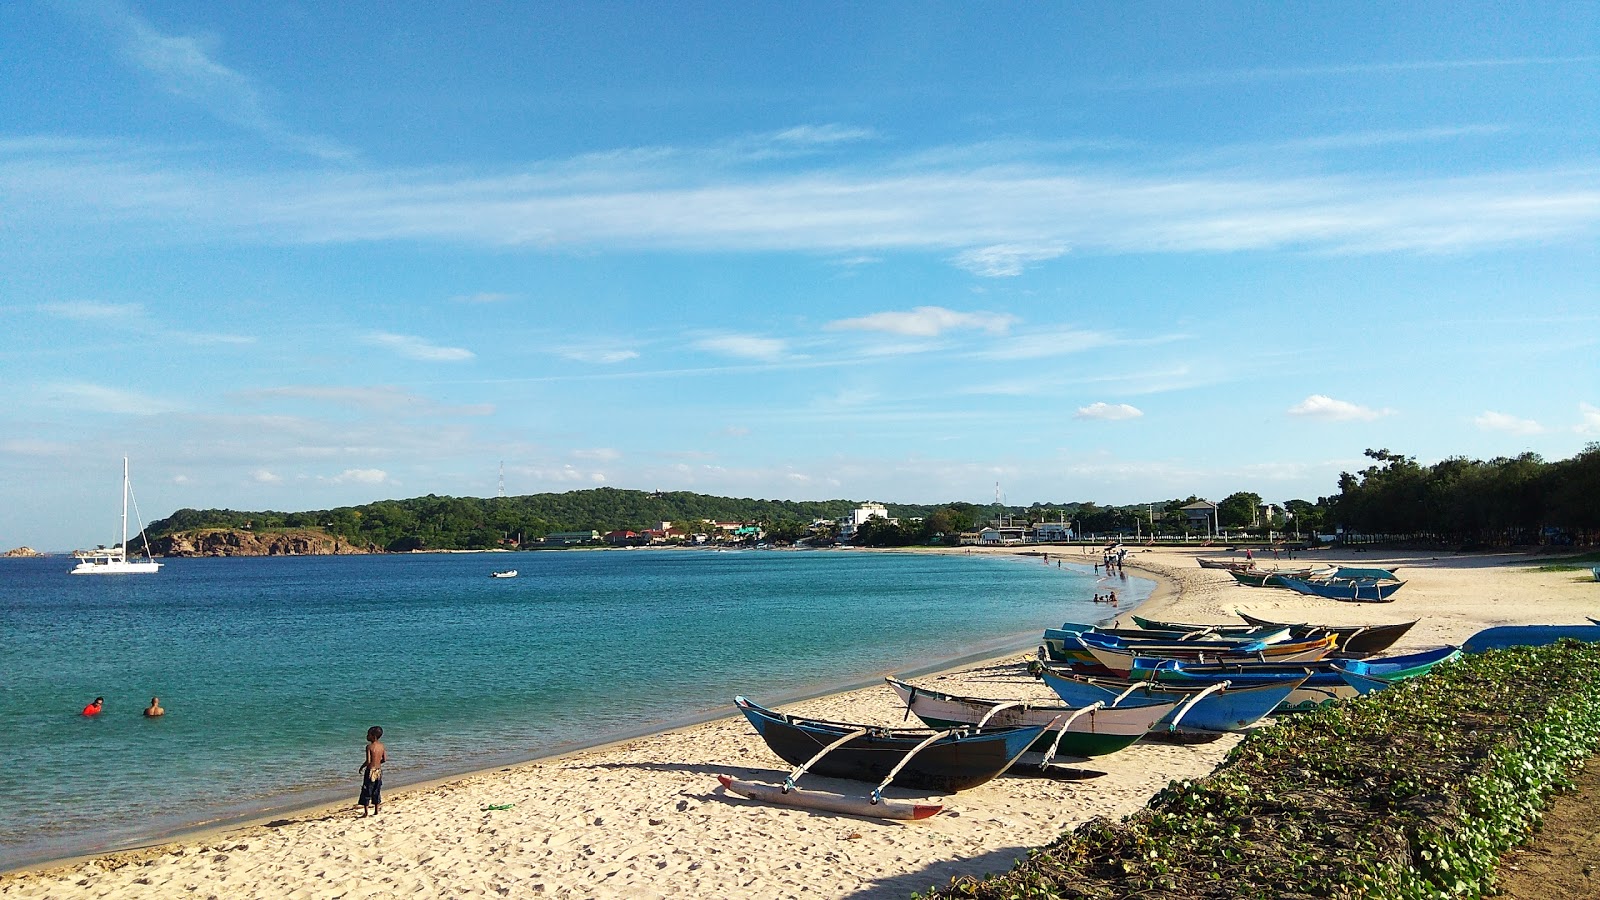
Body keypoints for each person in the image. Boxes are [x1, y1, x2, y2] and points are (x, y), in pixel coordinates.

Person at [358, 726, 386, 816]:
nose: (367, 736)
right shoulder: (382, 746)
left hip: (370, 771)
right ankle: (376, 811)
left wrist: (362, 767)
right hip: (378, 771)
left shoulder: (369, 747)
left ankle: (366, 812)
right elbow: (384, 759)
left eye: (368, 735)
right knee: (376, 790)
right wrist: (378, 763)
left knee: (366, 790)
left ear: (373, 736)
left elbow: (368, 761)